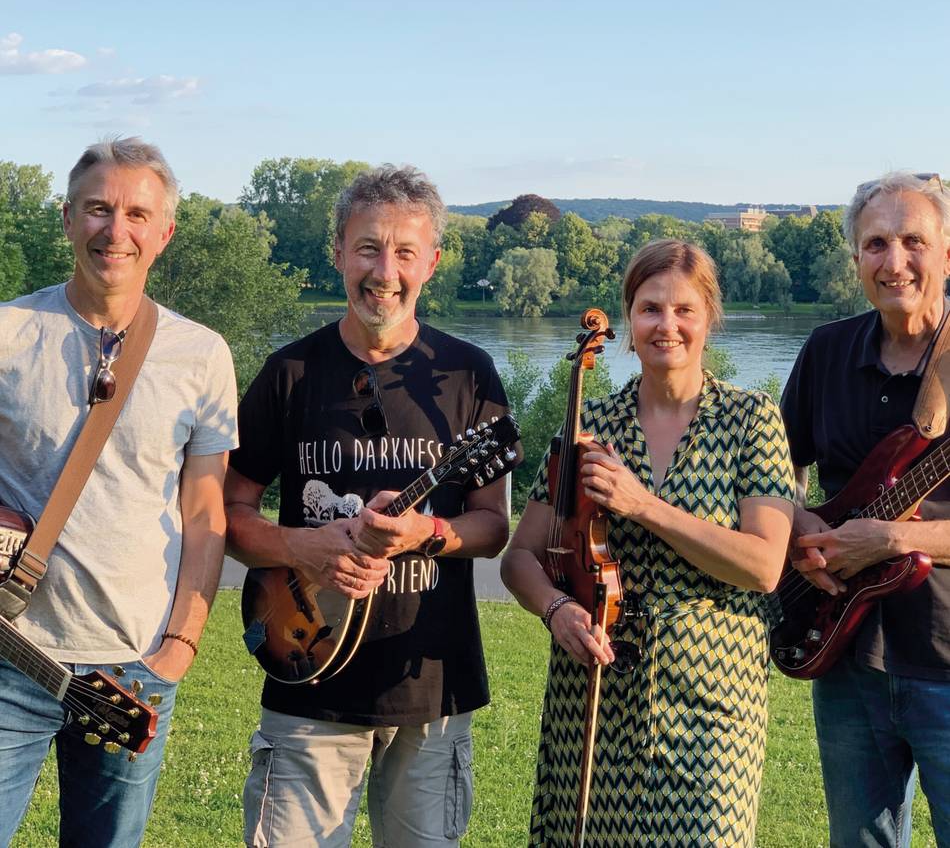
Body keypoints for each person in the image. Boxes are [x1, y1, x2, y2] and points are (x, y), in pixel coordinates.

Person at [225, 164, 515, 848]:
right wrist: (302, 547)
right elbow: (227, 513)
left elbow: (494, 526)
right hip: (305, 671)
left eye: (405, 252)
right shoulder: (288, 374)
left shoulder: (469, 374)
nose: (384, 271)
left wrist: (426, 531)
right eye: (367, 248)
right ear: (337, 253)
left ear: (433, 263)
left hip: (430, 687)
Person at [501, 238, 795, 847]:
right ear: (629, 322)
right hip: (597, 696)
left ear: (710, 318)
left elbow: (764, 565)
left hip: (713, 703)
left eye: (684, 309)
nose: (667, 326)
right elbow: (521, 557)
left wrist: (644, 506)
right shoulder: (589, 428)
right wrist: (556, 611)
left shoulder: (751, 420)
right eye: (650, 308)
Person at [0, 138, 238, 847]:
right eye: (99, 208)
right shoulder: (9, 333)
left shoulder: (202, 355)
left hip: (134, 668)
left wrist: (180, 648)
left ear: (164, 232)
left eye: (138, 213)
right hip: (10, 657)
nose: (117, 230)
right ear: (67, 217)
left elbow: (205, 514)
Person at [781, 171, 950, 847]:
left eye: (914, 240)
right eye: (876, 244)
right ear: (856, 259)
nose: (895, 261)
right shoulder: (826, 351)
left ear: (946, 252)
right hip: (845, 656)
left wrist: (884, 538)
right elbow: (769, 473)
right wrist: (799, 527)